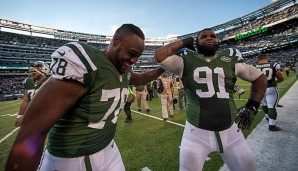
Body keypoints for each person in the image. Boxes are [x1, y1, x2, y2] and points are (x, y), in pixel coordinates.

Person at [5, 24, 165, 171]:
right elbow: (34, 130)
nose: (134, 61)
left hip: (108, 147)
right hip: (74, 159)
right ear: (116, 41)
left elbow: (143, 77)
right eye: (132, 54)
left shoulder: (123, 70)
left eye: (137, 56)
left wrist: (164, 67)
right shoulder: (88, 64)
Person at [154, 28, 267, 171]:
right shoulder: (184, 60)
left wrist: (252, 105)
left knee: (248, 166)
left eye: (213, 36)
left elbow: (260, 77)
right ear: (196, 42)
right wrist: (185, 41)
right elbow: (159, 55)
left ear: (217, 41)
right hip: (196, 133)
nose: (209, 38)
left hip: (231, 131)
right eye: (204, 37)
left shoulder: (230, 58)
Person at [15, 61, 50, 127]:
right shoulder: (28, 82)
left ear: (44, 70)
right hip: (33, 115)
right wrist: (19, 116)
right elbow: (26, 101)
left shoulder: (50, 81)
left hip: (48, 114)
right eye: (31, 70)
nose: (32, 72)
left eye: (34, 70)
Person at [255, 53, 284, 131]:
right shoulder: (273, 64)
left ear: (258, 59)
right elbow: (281, 77)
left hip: (259, 89)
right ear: (266, 58)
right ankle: (272, 125)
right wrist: (276, 81)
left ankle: (267, 116)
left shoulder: (254, 66)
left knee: (264, 104)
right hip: (271, 87)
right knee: (271, 106)